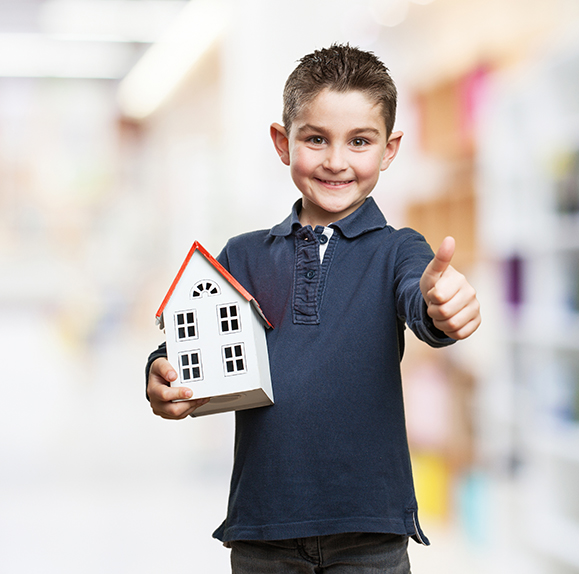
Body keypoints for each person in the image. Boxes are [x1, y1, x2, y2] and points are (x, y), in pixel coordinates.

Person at [145, 44, 481, 573]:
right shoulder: (243, 254)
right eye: (316, 138)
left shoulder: (399, 250)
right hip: (264, 530)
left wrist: (442, 308)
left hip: (370, 533)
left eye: (360, 141)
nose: (336, 161)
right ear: (283, 142)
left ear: (390, 148)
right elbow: (187, 342)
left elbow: (421, 300)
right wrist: (160, 371)